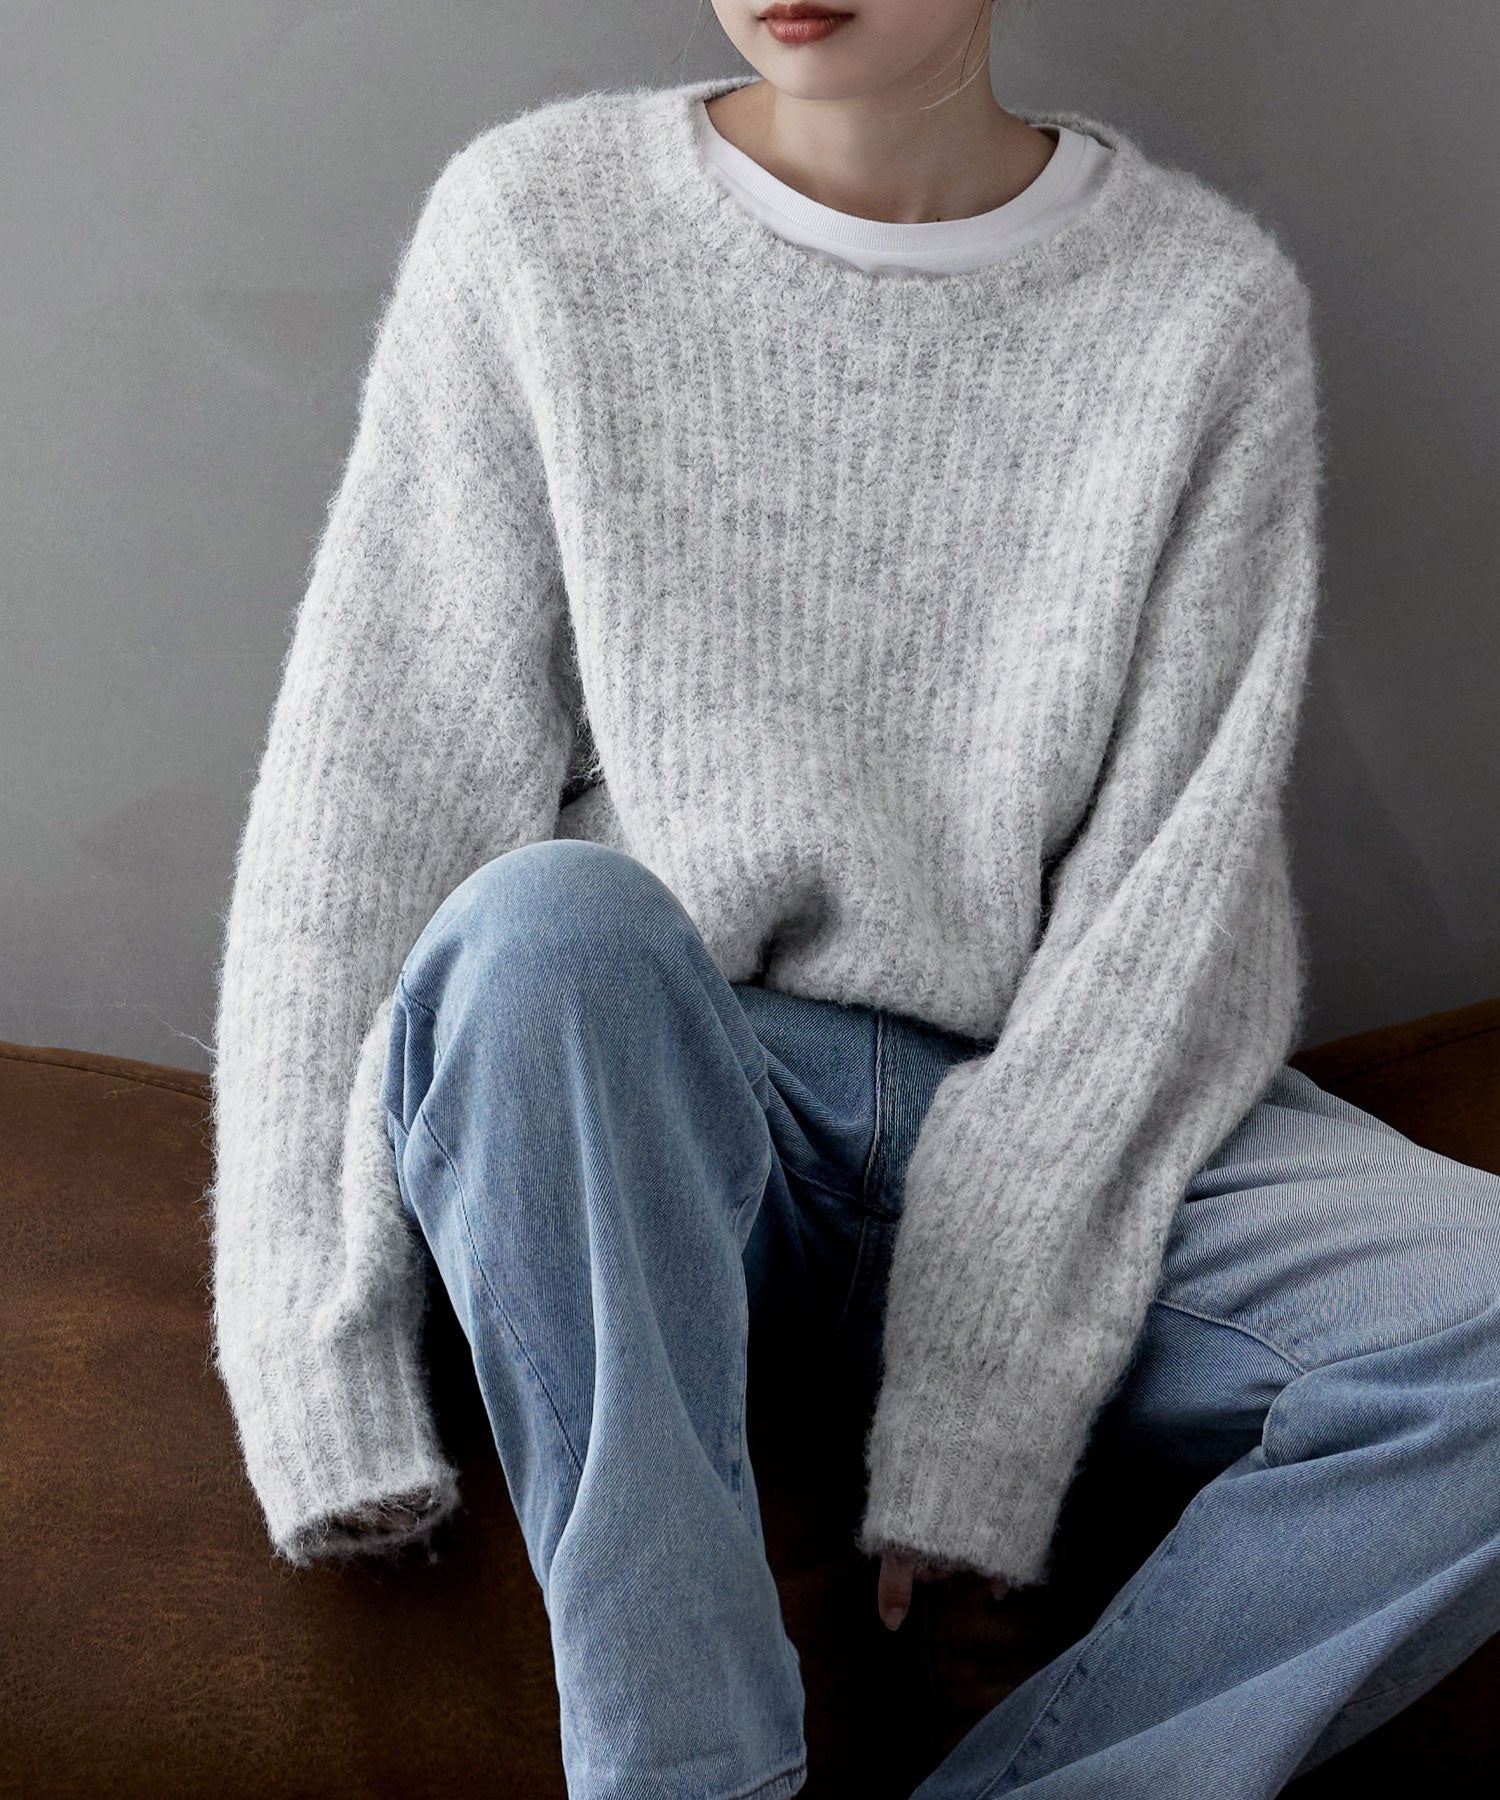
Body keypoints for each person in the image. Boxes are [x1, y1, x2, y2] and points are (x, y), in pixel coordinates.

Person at [205, 3, 1500, 1795]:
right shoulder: (538, 221)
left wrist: (983, 1398)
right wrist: (319, 1359)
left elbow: (1173, 885)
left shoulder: (1202, 308)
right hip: (663, 1074)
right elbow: (370, 792)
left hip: (1059, 1090)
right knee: (541, 927)